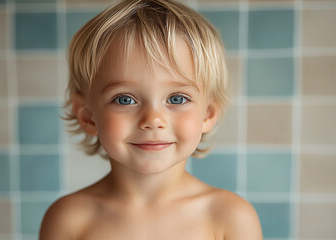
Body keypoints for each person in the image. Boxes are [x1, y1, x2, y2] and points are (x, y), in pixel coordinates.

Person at [39, 0, 263, 239]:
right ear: (87, 116)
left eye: (177, 99)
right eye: (125, 99)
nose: (153, 120)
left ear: (207, 114)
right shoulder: (68, 219)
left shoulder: (230, 217)